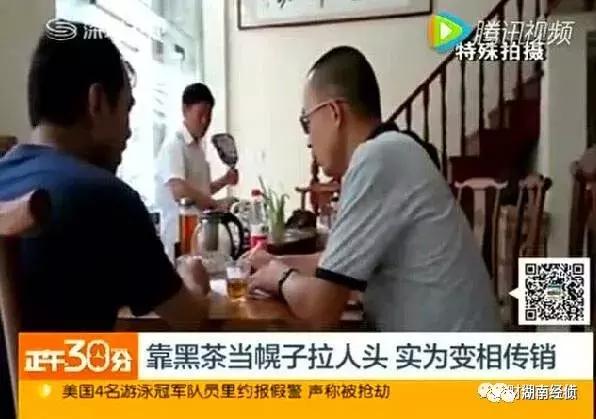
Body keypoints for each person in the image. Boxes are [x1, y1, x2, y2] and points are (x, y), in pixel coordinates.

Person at [247, 46, 502, 332]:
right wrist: (274, 261)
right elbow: (334, 264)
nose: (308, 140)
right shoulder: (393, 150)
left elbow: (320, 310)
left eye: (306, 122)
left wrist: (281, 277)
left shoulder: (379, 158)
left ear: (334, 112)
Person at [0, 20, 211, 331]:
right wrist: (193, 280)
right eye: (126, 109)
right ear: (96, 101)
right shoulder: (106, 198)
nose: (129, 131)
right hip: (66, 365)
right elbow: (190, 318)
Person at [155, 83, 239, 260]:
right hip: (180, 239)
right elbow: (179, 190)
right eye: (200, 114)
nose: (205, 121)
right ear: (185, 110)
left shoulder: (197, 148)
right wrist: (215, 205)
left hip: (199, 234)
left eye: (209, 116)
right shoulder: (174, 145)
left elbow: (200, 190)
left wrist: (225, 180)